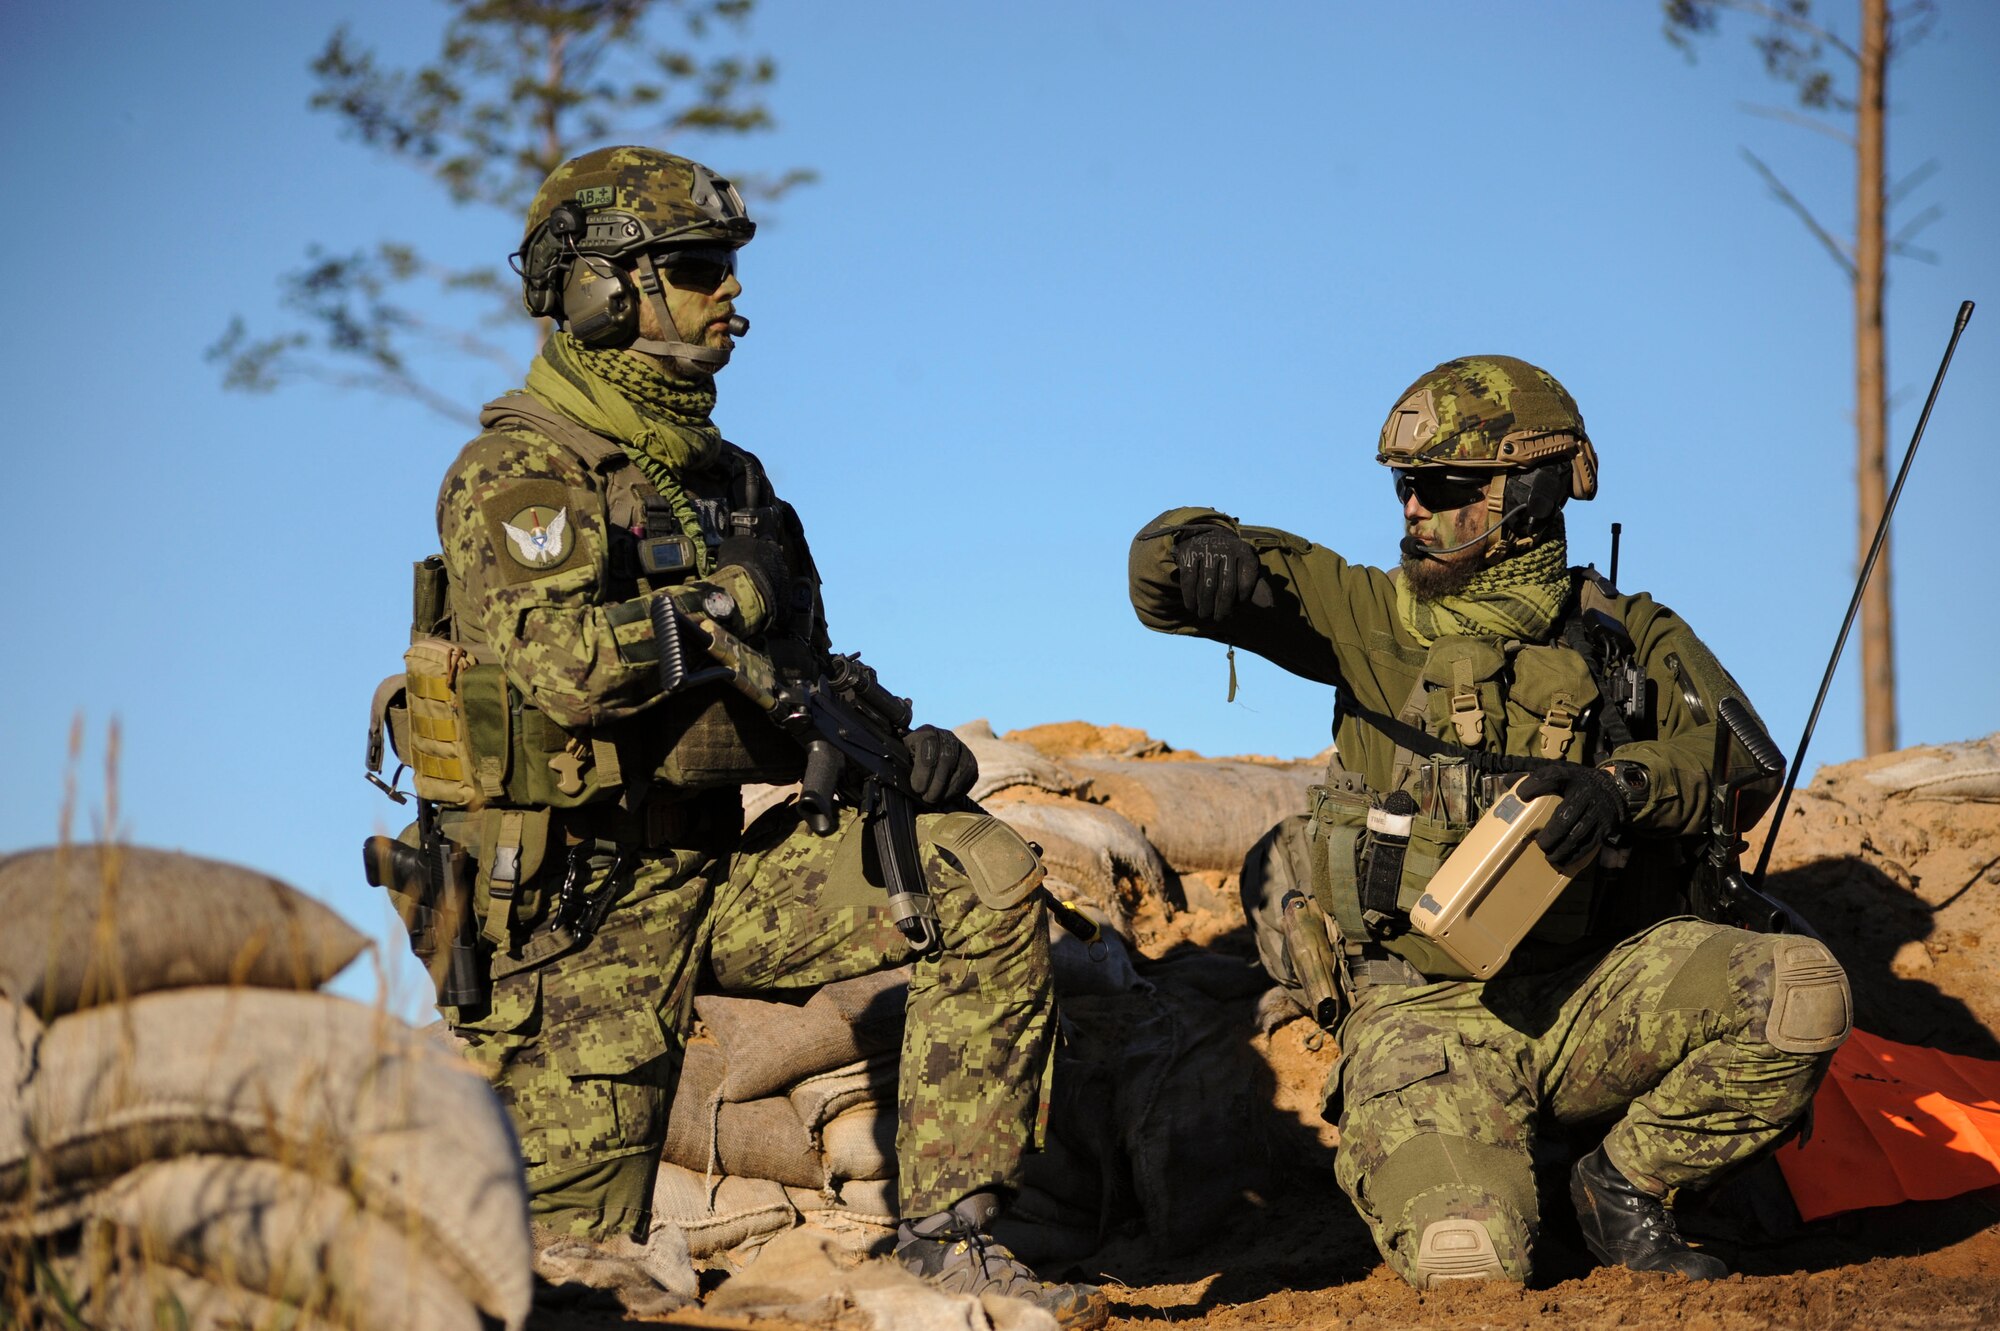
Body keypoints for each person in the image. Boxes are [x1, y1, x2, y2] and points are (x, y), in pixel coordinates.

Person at [371, 145, 1103, 1327]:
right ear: (603, 288)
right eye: (699, 269)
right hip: (576, 903)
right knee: (562, 1264)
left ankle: (952, 1237)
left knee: (985, 870)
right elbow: (564, 673)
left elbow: (797, 673)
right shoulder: (520, 469)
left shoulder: (738, 487)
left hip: (716, 864)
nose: (732, 299)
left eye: (726, 271)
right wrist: (726, 603)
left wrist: (894, 742)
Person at [1128, 355, 1851, 1288]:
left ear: (1533, 490)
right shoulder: (1368, 615)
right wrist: (1192, 543)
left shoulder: (1629, 634)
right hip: (1426, 1015)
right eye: (1404, 486)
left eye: (1443, 486)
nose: (1413, 508)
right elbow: (1162, 582)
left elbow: (1742, 769)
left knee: (1799, 988)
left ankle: (1622, 1185)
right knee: (1468, 1267)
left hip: (1594, 996)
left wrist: (1622, 786)